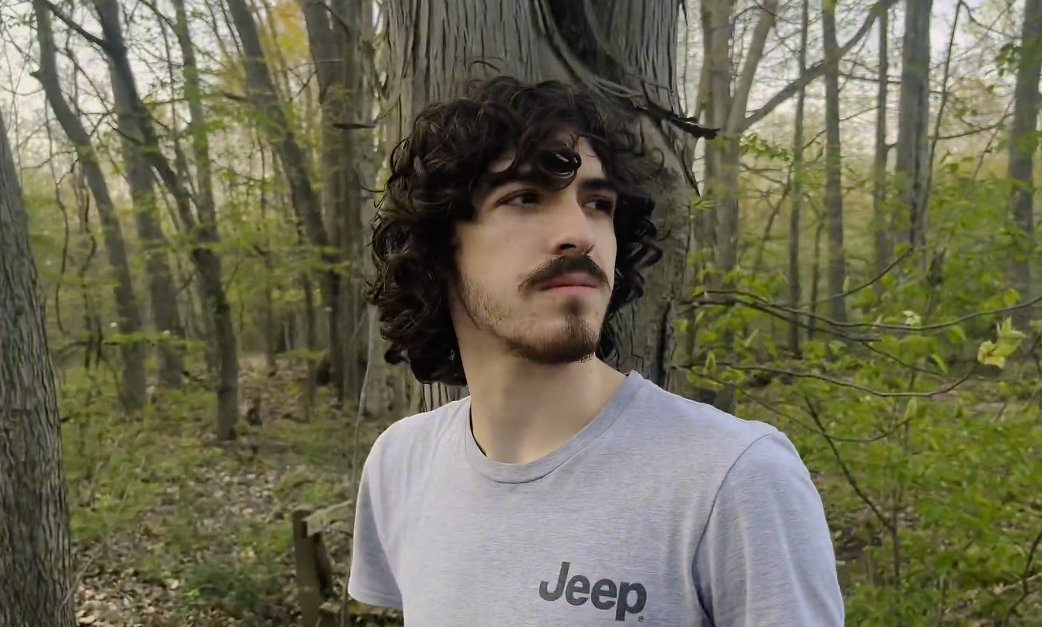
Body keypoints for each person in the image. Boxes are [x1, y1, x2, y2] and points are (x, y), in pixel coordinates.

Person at [348, 76, 844, 626]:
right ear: (439, 249)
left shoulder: (733, 478)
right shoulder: (401, 464)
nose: (579, 233)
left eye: (598, 203)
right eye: (525, 198)